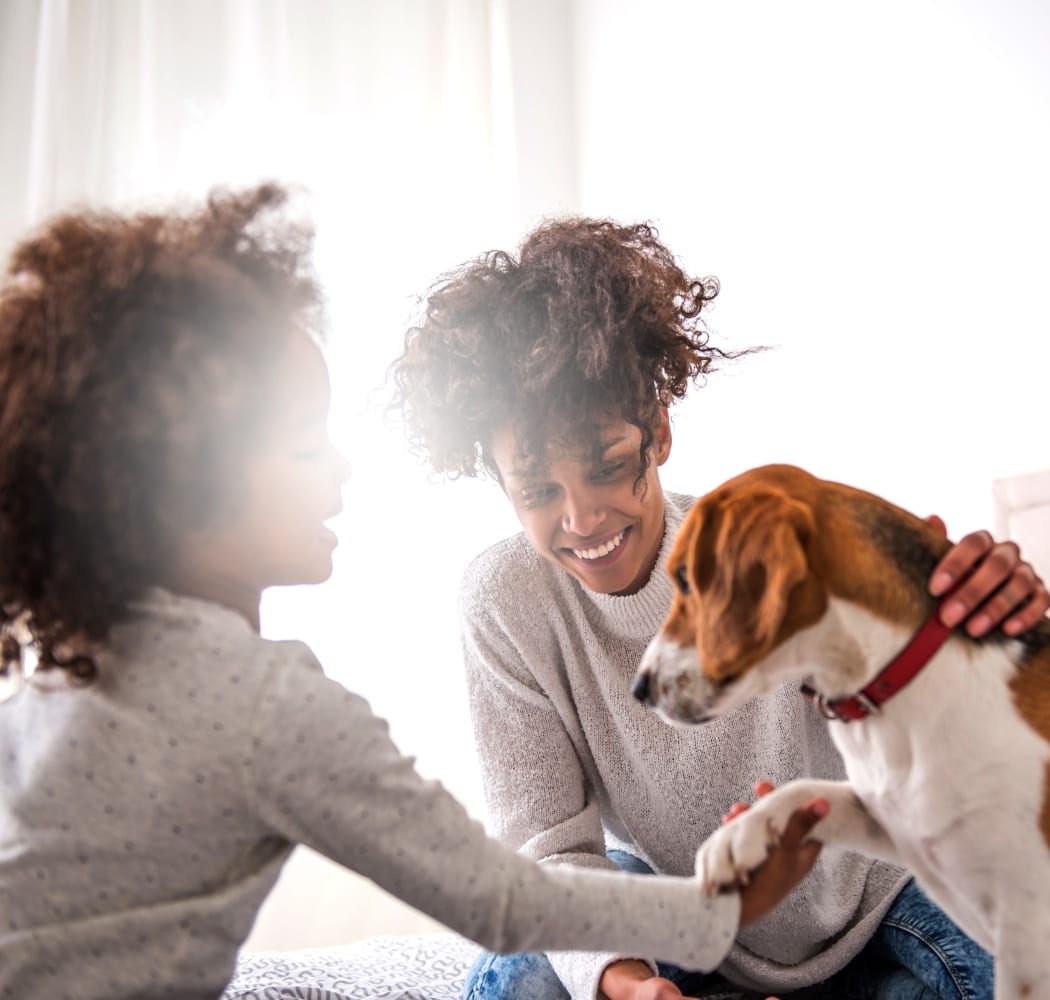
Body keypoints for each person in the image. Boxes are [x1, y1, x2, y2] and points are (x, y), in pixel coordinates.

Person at [0, 188, 826, 1000]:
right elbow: (504, 900)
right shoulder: (259, 706)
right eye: (299, 445)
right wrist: (727, 904)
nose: (341, 466)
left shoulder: (65, 672)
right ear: (181, 489)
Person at [388, 217, 1050, 1000]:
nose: (582, 518)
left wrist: (994, 608)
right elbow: (548, 853)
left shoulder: (761, 549)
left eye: (607, 466)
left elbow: (943, 683)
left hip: (877, 905)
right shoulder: (505, 601)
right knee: (518, 972)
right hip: (682, 911)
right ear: (500, 483)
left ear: (658, 431)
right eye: (537, 492)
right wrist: (625, 983)